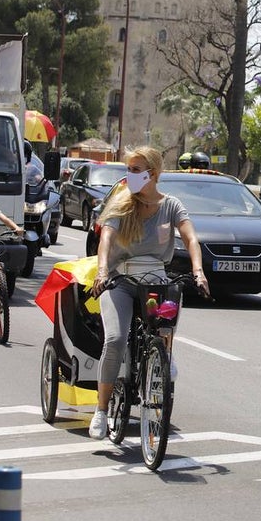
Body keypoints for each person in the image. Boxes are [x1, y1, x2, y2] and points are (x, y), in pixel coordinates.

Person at [87, 146, 209, 440]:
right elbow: (106, 240)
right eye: (128, 169)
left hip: (155, 279)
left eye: (135, 170)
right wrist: (103, 271)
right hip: (121, 279)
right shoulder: (122, 202)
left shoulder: (172, 206)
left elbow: (191, 238)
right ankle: (101, 411)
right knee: (115, 340)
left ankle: (162, 357)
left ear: (152, 174)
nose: (129, 175)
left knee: (167, 315)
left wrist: (198, 271)